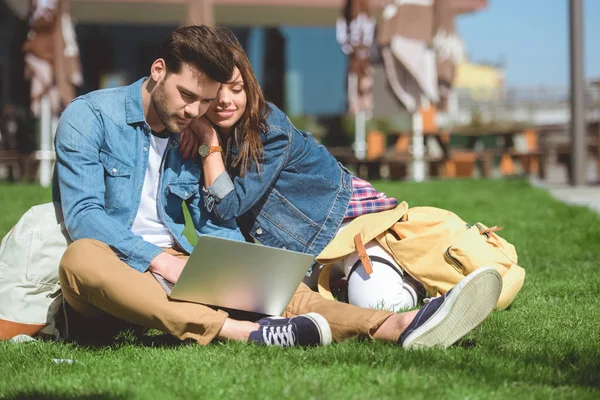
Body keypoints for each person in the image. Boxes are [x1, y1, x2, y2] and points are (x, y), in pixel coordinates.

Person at [54, 25, 502, 349]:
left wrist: (241, 271)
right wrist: (159, 263)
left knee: (281, 290)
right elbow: (84, 216)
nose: (196, 110)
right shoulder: (90, 117)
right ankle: (247, 333)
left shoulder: (190, 133)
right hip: (114, 266)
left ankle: (395, 326)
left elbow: (215, 219)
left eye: (206, 102)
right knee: (80, 257)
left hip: (172, 266)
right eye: (188, 96)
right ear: (157, 71)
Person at [183, 31, 424, 313]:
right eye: (216, 91)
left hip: (347, 229)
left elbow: (228, 206)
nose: (225, 100)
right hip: (301, 253)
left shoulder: (269, 131)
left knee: (377, 304)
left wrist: (207, 139)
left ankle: (415, 284)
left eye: (236, 89)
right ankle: (340, 283)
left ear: (250, 88)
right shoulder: (211, 130)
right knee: (267, 306)